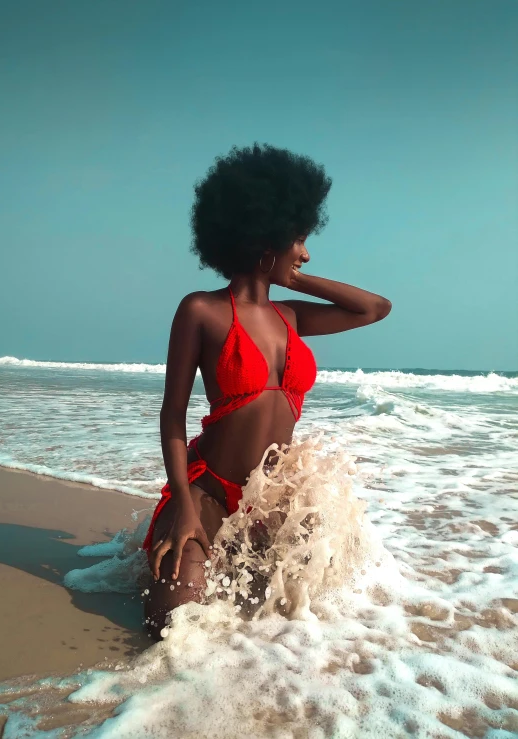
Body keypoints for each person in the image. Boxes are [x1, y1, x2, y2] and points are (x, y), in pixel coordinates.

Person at [142, 143, 391, 640]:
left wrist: (294, 276)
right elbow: (172, 418)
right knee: (172, 627)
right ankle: (170, 530)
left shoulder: (291, 318)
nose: (306, 252)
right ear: (265, 238)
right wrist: (187, 510)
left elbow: (374, 308)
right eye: (298, 240)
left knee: (298, 617)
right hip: (210, 492)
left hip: (273, 498)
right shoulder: (201, 310)